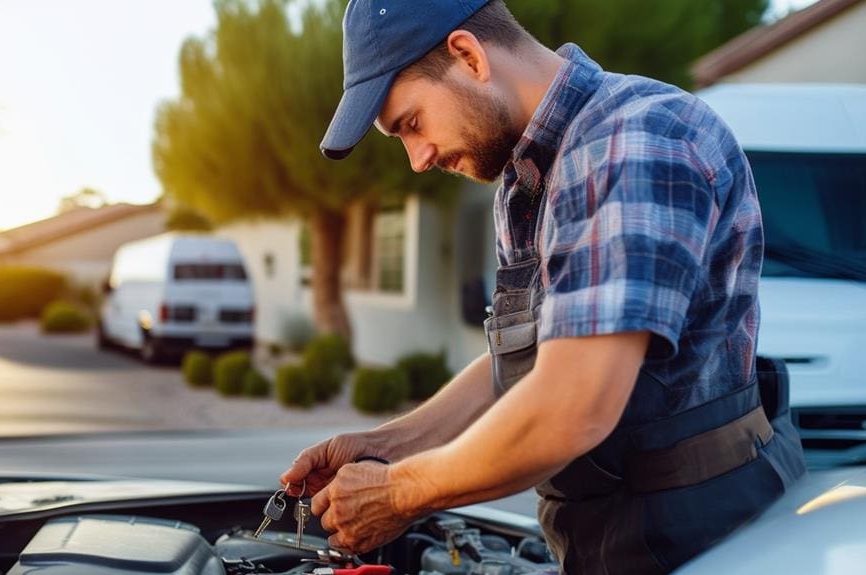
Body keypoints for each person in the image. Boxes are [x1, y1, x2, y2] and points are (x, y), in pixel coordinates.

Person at [280, 1, 807, 573]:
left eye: (411, 123)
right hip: (615, 529)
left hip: (706, 533)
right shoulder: (528, 177)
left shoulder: (636, 139)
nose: (418, 158)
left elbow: (572, 404)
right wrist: (393, 444)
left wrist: (400, 492)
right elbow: (532, 357)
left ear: (467, 55)